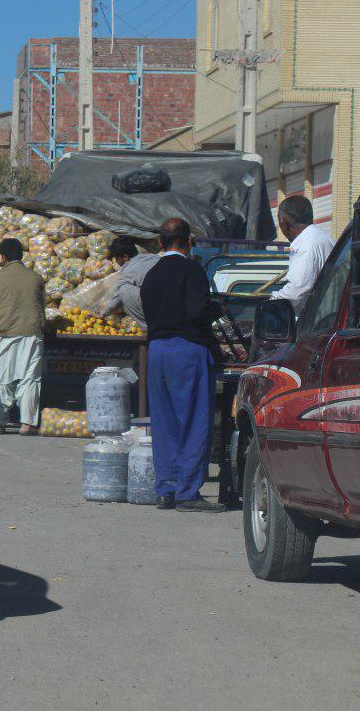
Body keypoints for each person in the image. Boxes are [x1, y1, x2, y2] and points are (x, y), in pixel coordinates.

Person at [139, 218, 224, 512]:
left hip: (157, 350)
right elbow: (195, 310)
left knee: (164, 422)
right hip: (186, 350)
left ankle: (166, 489)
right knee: (195, 421)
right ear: (189, 241)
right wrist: (217, 307)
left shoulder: (150, 275)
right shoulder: (192, 270)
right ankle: (188, 492)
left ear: (161, 243)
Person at [0, 238, 46, 435]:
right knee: (30, 379)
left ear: (3, 256)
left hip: (6, 334)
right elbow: (41, 304)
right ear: (21, 255)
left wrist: (2, 315)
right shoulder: (36, 277)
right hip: (32, 334)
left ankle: (0, 423)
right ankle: (26, 424)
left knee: (3, 379)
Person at [270, 194, 334, 316]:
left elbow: (295, 292)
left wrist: (271, 302)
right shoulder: (321, 237)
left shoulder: (307, 244)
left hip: (319, 322)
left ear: (285, 222)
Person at [105, 235, 160, 329]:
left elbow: (117, 299)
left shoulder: (129, 270)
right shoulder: (154, 257)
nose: (116, 262)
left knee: (124, 290)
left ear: (125, 257)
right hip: (175, 305)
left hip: (159, 311)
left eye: (116, 258)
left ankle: (149, 327)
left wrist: (102, 314)